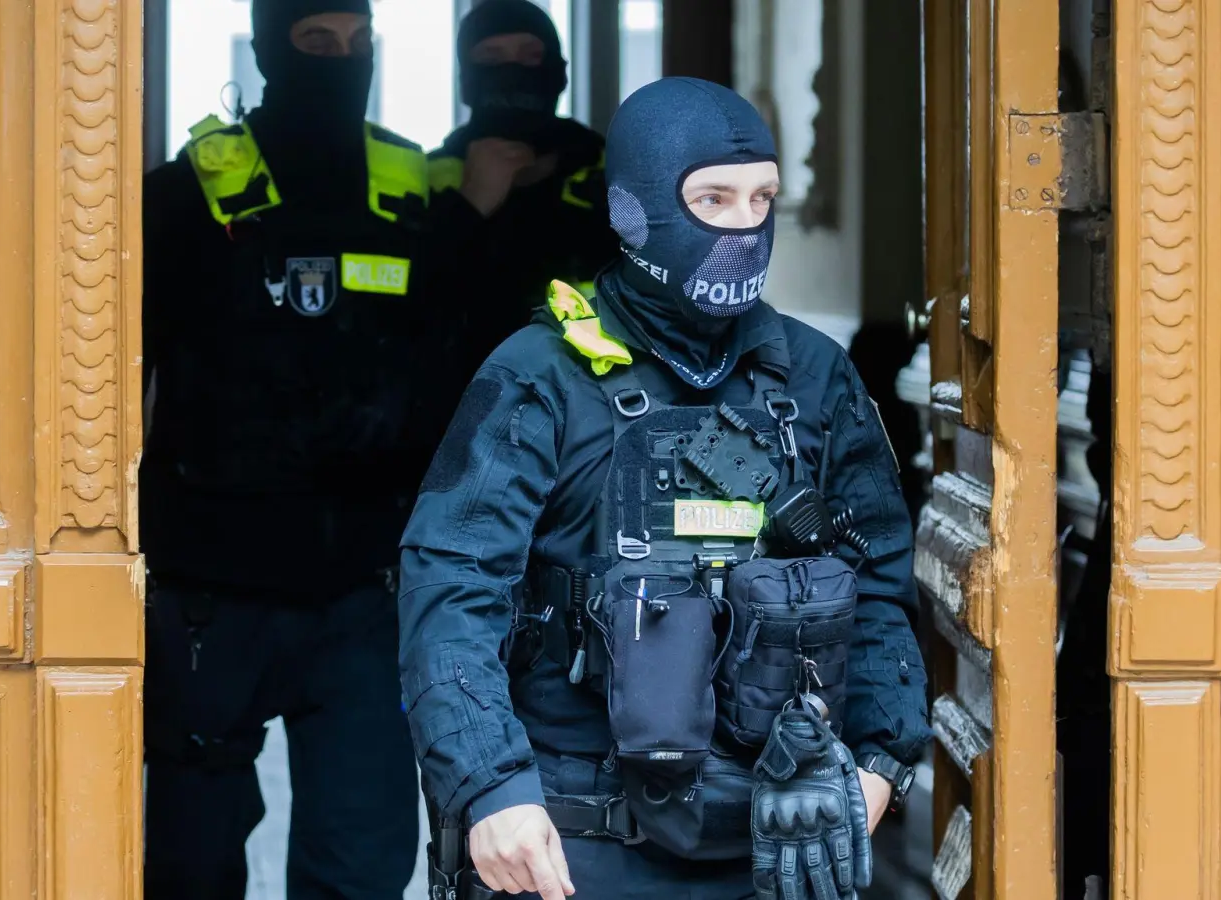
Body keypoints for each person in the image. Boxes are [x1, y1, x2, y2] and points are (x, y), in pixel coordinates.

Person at [397, 77, 931, 899]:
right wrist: (489, 788)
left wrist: (879, 758)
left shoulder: (816, 378)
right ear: (633, 210)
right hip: (570, 846)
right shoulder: (538, 376)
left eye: (762, 199)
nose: (745, 226)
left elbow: (885, 588)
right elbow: (449, 588)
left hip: (778, 839)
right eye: (712, 199)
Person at [139, 1, 433, 896]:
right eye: (315, 43)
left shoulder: (411, 188)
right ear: (268, 49)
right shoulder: (188, 192)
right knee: (191, 859)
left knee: (363, 858)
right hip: (211, 594)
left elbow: (465, 345)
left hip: (362, 592)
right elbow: (101, 372)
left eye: (356, 44)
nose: (340, 61)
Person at [426, 0, 618, 378]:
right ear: (467, 77)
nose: (512, 71)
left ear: (557, 71)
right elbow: (403, 315)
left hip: (593, 408)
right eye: (492, 58)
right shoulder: (422, 179)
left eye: (530, 56)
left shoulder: (614, 172)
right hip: (455, 410)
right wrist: (468, 206)